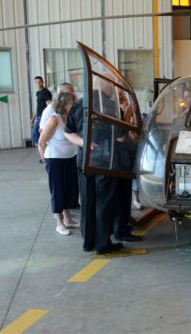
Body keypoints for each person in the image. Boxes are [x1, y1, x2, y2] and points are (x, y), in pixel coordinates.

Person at [64, 76, 126, 254]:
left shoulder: (80, 104)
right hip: (106, 162)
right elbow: (121, 138)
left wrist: (84, 142)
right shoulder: (112, 107)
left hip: (84, 161)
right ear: (108, 88)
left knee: (87, 201)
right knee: (104, 203)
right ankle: (102, 244)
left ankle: (88, 242)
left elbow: (68, 133)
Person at [37, 92, 79, 235]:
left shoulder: (70, 118)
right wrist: (45, 163)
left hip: (70, 158)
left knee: (69, 189)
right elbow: (41, 143)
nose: (74, 105)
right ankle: (59, 222)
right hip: (55, 160)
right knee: (58, 191)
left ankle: (68, 218)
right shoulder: (54, 120)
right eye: (73, 103)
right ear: (65, 104)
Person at [113, 90, 142, 243]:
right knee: (120, 197)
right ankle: (120, 230)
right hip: (119, 159)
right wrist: (128, 114)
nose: (121, 97)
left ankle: (123, 225)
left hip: (123, 158)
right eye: (119, 94)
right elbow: (121, 136)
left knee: (123, 197)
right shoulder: (113, 109)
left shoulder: (115, 108)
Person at [31, 76, 52, 147]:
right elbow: (38, 106)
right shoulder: (38, 93)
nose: (38, 84)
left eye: (40, 82)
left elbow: (49, 105)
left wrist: (48, 117)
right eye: (36, 82)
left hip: (44, 117)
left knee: (35, 133)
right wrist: (33, 118)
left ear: (43, 82)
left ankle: (44, 148)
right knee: (37, 134)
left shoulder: (46, 92)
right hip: (39, 116)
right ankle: (44, 149)